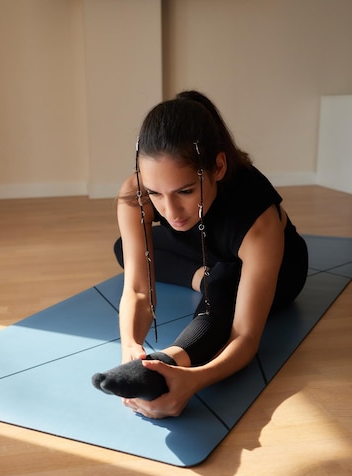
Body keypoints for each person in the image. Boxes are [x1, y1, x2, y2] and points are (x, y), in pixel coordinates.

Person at [92, 90, 308, 418]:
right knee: (126, 247)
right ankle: (201, 278)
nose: (170, 210)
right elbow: (137, 290)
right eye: (155, 194)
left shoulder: (258, 222)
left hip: (281, 272)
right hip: (206, 248)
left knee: (222, 283)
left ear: (218, 166)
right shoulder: (137, 194)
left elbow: (246, 338)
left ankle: (163, 365)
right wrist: (130, 345)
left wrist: (192, 381)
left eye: (186, 191)